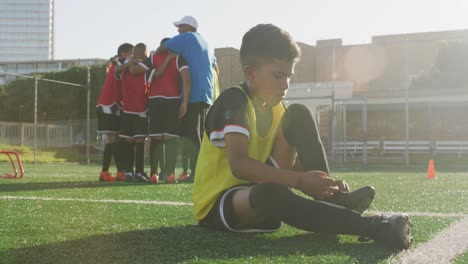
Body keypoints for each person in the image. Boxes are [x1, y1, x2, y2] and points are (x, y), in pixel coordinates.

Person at [192, 24, 413, 250]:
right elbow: (239, 165)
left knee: (298, 114)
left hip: (260, 191)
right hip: (221, 204)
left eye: (289, 76)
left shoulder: (278, 109)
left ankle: (333, 200)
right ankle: (376, 228)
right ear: (250, 73)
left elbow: (290, 165)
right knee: (270, 193)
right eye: (278, 76)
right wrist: (299, 181)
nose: (285, 85)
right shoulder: (234, 101)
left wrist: (317, 182)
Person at [155, 15, 218, 182]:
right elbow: (215, 67)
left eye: (180, 26)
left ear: (188, 28)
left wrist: (170, 54)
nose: (178, 30)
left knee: (191, 133)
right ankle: (202, 171)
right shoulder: (206, 43)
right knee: (199, 134)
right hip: (206, 93)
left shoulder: (187, 37)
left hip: (193, 92)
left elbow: (161, 49)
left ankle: (197, 173)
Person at [138, 38, 191, 183]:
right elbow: (186, 79)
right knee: (170, 138)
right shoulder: (179, 58)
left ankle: (154, 174)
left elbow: (142, 70)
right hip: (172, 101)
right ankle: (170, 174)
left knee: (156, 138)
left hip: (155, 101)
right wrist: (185, 102)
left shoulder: (153, 57)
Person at [96, 43, 133, 182]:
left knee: (113, 140)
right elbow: (119, 67)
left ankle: (116, 172)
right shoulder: (118, 64)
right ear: (124, 53)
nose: (133, 56)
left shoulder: (116, 63)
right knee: (112, 140)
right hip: (109, 106)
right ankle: (108, 172)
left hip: (111, 106)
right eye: (131, 53)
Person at [115, 43, 150, 182]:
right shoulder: (126, 63)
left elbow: (135, 71)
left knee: (140, 139)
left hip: (141, 107)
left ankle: (139, 172)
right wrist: (129, 62)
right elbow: (117, 69)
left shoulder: (146, 64)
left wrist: (131, 63)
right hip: (128, 107)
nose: (146, 54)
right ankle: (129, 172)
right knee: (128, 140)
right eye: (145, 51)